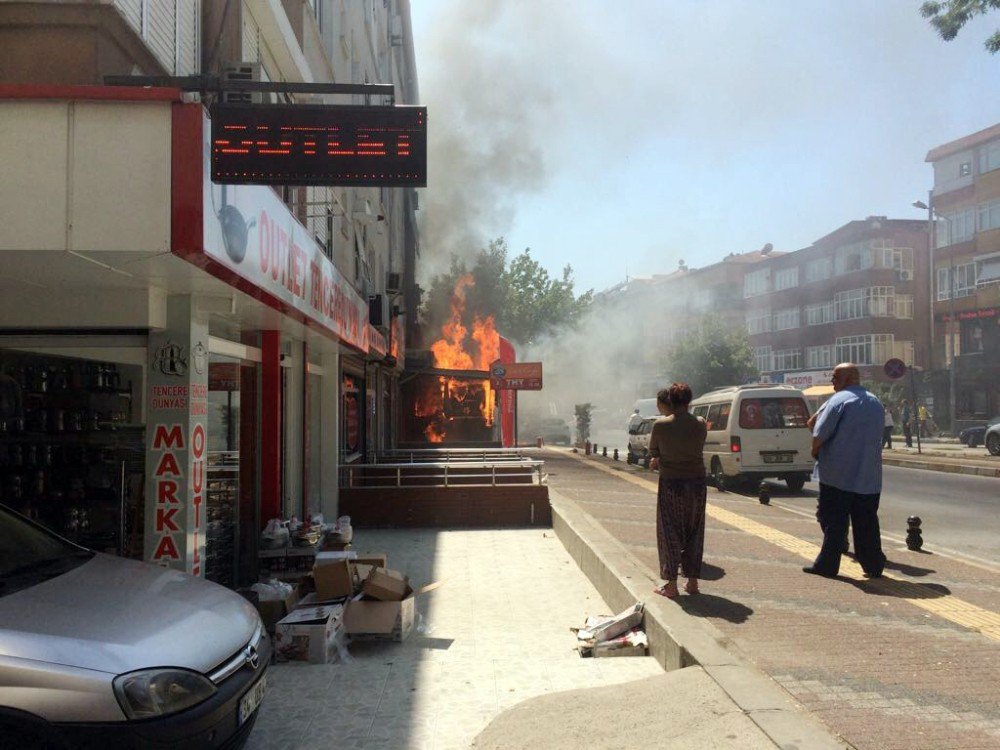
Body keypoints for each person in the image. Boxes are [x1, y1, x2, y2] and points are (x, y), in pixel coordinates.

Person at [804, 363, 886, 579]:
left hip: (838, 476)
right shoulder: (875, 402)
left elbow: (818, 434)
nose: (832, 381)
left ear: (848, 378)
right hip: (869, 478)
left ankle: (827, 565)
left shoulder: (838, 401)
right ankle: (873, 565)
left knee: (834, 523)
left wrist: (816, 453)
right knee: (867, 523)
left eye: (835, 377)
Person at [648, 383, 708, 599]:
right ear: (689, 401)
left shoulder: (661, 425)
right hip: (697, 484)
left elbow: (654, 451)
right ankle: (692, 582)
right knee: (694, 531)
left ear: (671, 401)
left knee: (669, 532)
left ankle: (671, 585)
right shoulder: (700, 424)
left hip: (671, 483)